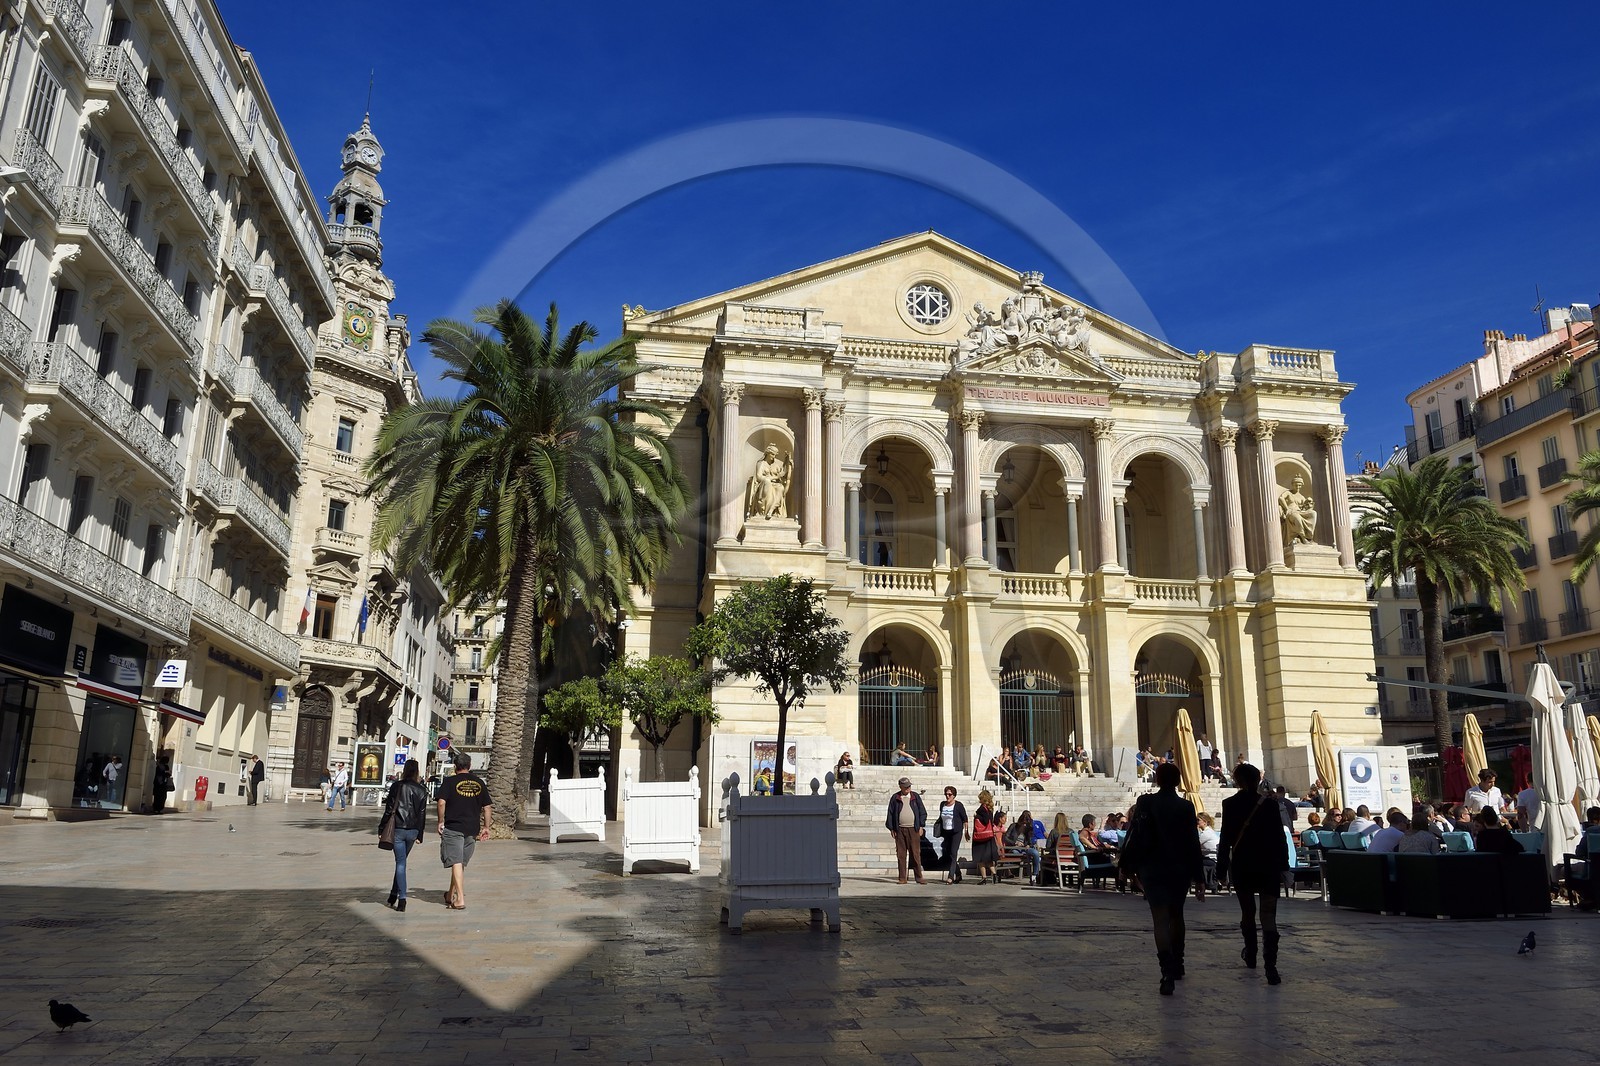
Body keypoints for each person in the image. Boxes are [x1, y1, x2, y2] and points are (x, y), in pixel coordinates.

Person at [1120, 762, 1205, 996]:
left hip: (1152, 868)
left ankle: (1166, 972)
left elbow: (1134, 834)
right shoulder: (1186, 807)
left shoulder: (1146, 802)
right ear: (1178, 781)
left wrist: (1126, 865)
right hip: (1179, 868)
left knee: (1160, 919)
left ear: (1157, 779)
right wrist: (1199, 877)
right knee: (1178, 915)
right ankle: (1178, 963)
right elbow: (1192, 843)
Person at [1218, 762, 1290, 986]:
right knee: (1268, 916)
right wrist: (1284, 865)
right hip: (1267, 865)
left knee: (1247, 912)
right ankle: (1271, 967)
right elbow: (1279, 837)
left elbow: (1225, 839)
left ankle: (1250, 953)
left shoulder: (1230, 804)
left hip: (1243, 865)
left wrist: (1221, 869)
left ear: (1238, 781)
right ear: (1258, 780)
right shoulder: (1269, 804)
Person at [436, 749, 492, 909]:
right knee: (459, 863)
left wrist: (440, 821)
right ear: (469, 765)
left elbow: (441, 802)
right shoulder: (479, 783)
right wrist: (486, 827)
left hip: (454, 827)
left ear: (455, 766)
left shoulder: (449, 782)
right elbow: (487, 807)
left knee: (456, 861)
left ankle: (459, 899)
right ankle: (449, 894)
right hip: (472, 829)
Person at [383, 759, 430, 912]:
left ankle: (402, 899)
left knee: (400, 863)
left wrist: (381, 828)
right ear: (417, 771)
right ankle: (392, 894)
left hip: (398, 829)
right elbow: (422, 814)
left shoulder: (397, 786)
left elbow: (389, 809)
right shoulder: (422, 790)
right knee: (401, 863)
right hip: (412, 831)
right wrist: (420, 835)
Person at [886, 776, 927, 885]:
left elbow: (922, 812)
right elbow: (890, 813)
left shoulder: (915, 796)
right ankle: (902, 878)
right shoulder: (895, 798)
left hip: (914, 829)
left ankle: (919, 877)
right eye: (905, 787)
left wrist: (921, 826)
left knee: (915, 854)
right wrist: (892, 828)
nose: (908, 788)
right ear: (900, 787)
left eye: (909, 786)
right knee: (901, 854)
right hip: (900, 830)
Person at [937, 786, 969, 884]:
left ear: (954, 795)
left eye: (950, 794)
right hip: (946, 832)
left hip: (956, 831)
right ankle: (958, 873)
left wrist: (966, 832)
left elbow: (965, 819)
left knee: (953, 852)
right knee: (948, 854)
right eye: (946, 794)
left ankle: (951, 876)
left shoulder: (958, 805)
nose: (947, 796)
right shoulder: (942, 804)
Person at [1005, 807, 1041, 885]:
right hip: (1015, 848)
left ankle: (1034, 875)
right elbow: (1006, 838)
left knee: (1035, 853)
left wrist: (1028, 845)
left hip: (1025, 848)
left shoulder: (1029, 829)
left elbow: (1031, 841)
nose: (1024, 825)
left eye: (1026, 823)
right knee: (1015, 852)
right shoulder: (1013, 826)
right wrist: (1015, 843)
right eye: (1023, 822)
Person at [971, 791, 1001, 883]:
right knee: (988, 859)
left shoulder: (982, 809)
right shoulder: (990, 809)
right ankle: (994, 874)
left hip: (981, 837)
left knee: (980, 858)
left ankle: (984, 878)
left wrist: (976, 816)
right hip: (988, 836)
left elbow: (984, 820)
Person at [1278, 475, 1317, 545]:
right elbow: (1281, 498)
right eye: (1296, 485)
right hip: (1290, 512)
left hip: (1300, 511)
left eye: (1299, 485)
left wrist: (1309, 503)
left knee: (1313, 513)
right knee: (1297, 518)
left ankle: (1309, 536)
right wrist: (1286, 509)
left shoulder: (1301, 497)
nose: (1298, 487)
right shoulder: (1288, 493)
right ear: (1293, 485)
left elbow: (1305, 507)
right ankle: (1303, 538)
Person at [1197, 812, 1220, 889]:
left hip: (1211, 859)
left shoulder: (1206, 833)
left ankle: (1199, 884)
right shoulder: (1209, 831)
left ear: (1205, 822)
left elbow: (1195, 845)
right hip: (1212, 858)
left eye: (1198, 820)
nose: (1196, 822)